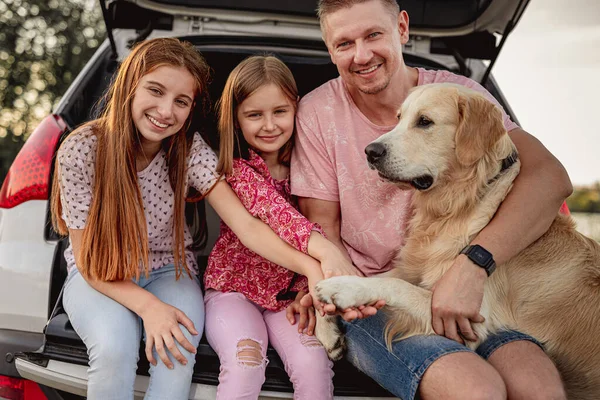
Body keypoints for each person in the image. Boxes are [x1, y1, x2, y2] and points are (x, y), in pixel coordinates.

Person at [291, 1, 572, 399]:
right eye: (344, 43)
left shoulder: (461, 94)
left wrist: (473, 266)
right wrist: (332, 292)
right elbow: (323, 233)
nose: (362, 55)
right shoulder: (318, 112)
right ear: (329, 49)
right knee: (477, 390)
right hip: (372, 295)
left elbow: (551, 177)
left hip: (476, 289)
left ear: (401, 28)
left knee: (539, 389)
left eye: (373, 35)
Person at [50, 39, 340, 400]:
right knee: (114, 349)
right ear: (128, 86)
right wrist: (150, 308)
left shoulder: (189, 150)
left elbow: (247, 225)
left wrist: (311, 268)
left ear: (191, 109)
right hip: (99, 273)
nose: (165, 110)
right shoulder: (82, 148)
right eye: (155, 91)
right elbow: (89, 261)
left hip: (169, 271)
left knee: (177, 348)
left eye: (181, 101)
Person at [203, 55, 345, 400]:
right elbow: (277, 215)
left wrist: (304, 288)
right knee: (246, 360)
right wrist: (322, 259)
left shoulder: (313, 165)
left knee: (314, 363)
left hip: (288, 300)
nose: (269, 125)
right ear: (236, 120)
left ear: (297, 109)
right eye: (254, 115)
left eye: (280, 112)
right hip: (232, 292)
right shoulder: (237, 169)